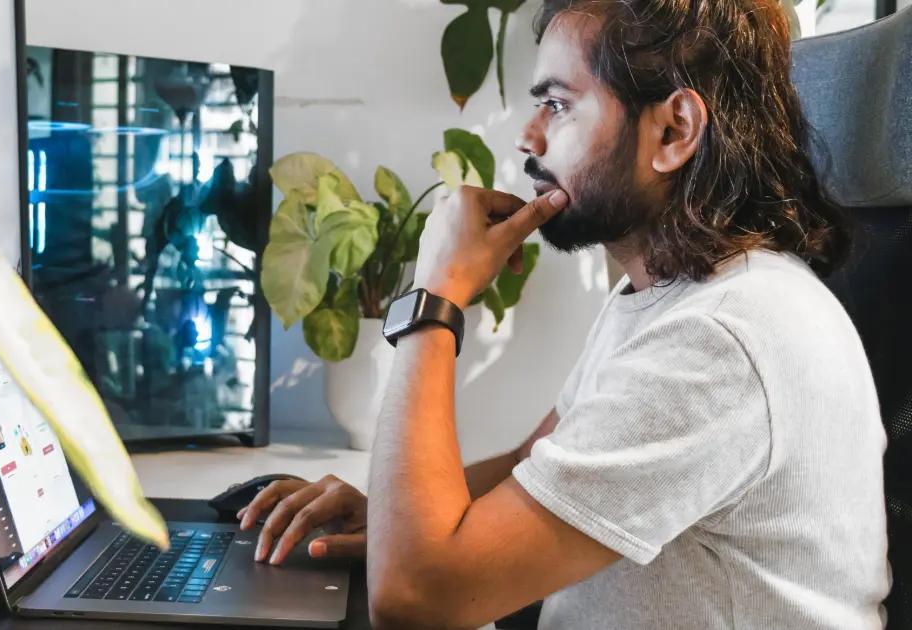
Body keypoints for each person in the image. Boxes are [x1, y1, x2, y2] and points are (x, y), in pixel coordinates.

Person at [239, 1, 891, 628]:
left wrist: (437, 294)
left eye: (557, 104)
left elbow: (414, 598)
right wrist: (387, 515)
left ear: (673, 131)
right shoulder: (670, 294)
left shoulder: (724, 335)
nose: (529, 135)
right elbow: (537, 459)